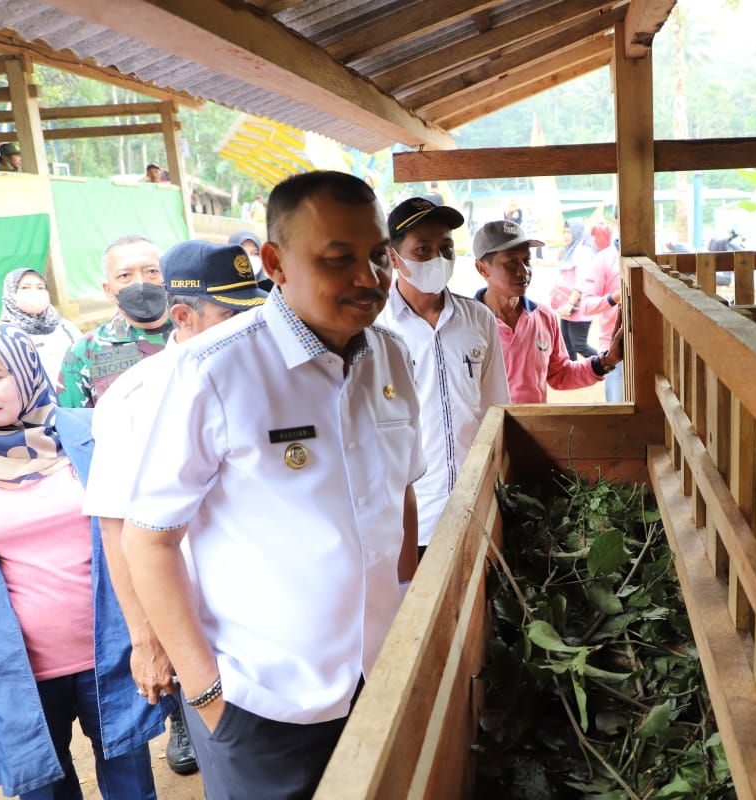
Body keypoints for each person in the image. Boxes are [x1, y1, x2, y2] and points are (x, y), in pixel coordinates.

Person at [120, 171, 424, 799]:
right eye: (338, 259)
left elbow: (402, 494)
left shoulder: (390, 356)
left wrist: (404, 602)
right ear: (275, 263)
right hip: (261, 704)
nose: (369, 278)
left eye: (375, 255)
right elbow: (147, 540)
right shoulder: (215, 371)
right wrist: (207, 694)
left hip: (377, 680)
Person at [82, 240, 267, 778]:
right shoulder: (136, 396)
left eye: (257, 312)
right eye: (231, 316)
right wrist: (147, 639)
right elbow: (116, 527)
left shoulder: (265, 378)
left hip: (267, 621)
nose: (251, 329)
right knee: (239, 768)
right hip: (200, 630)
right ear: (183, 315)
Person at [0, 322, 167, 799]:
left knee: (131, 786)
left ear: (24, 370)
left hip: (113, 653)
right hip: (18, 672)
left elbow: (143, 530)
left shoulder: (88, 432)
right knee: (45, 791)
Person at [378, 198, 509, 553]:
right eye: (423, 249)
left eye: (446, 247)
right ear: (393, 257)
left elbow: (496, 410)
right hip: (408, 519)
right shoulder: (375, 331)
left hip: (476, 505)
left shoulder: (479, 319)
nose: (438, 257)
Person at [474, 220, 622, 404]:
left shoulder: (544, 318)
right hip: (487, 431)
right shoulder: (467, 324)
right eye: (511, 263)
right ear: (482, 268)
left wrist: (607, 360)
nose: (523, 271)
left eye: (526, 260)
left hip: (534, 428)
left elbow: (560, 374)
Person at [56, 236, 173, 408]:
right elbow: (76, 426)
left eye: (152, 272)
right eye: (125, 275)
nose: (141, 283)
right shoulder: (83, 354)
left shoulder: (198, 330)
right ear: (109, 290)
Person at [0, 268, 83, 386]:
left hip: (74, 399)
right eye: (25, 287)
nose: (34, 292)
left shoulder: (65, 327)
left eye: (40, 287)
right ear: (11, 293)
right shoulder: (4, 335)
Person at [580, 223, 624, 402]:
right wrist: (614, 298)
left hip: (649, 350)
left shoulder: (653, 256)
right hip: (614, 349)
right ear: (616, 222)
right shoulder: (604, 259)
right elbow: (586, 305)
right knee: (619, 410)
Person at [552, 219, 598, 361]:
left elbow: (582, 282)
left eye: (569, 231)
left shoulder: (583, 251)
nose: (566, 235)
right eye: (564, 231)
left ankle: (607, 362)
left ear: (577, 232)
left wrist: (570, 304)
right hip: (567, 306)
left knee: (579, 345)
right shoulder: (569, 250)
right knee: (567, 346)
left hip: (577, 306)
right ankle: (570, 376)